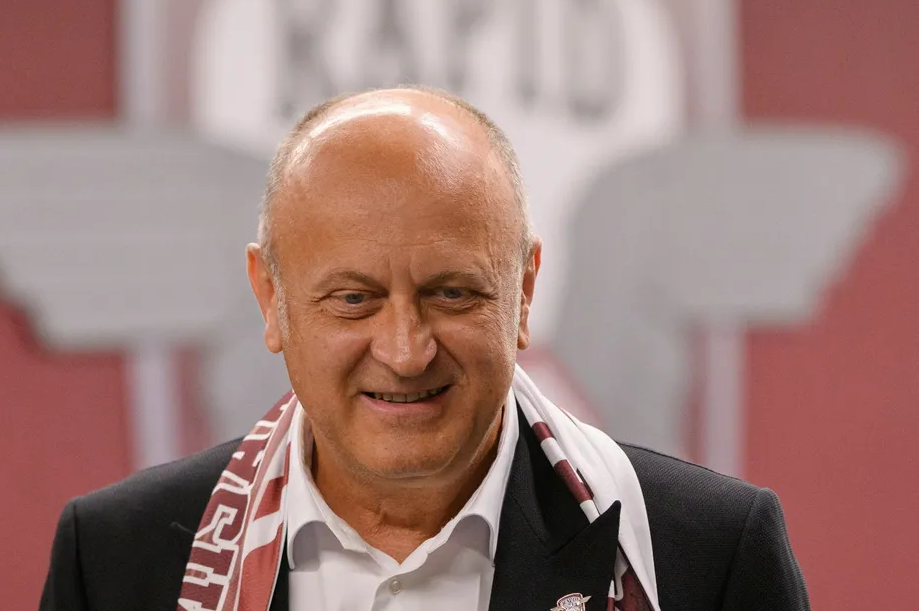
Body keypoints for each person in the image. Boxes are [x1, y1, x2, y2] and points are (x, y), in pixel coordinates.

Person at [39, 87, 809, 611]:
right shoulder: (115, 562)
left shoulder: (707, 557)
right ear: (270, 298)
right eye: (353, 299)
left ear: (524, 291)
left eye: (452, 293)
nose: (406, 352)